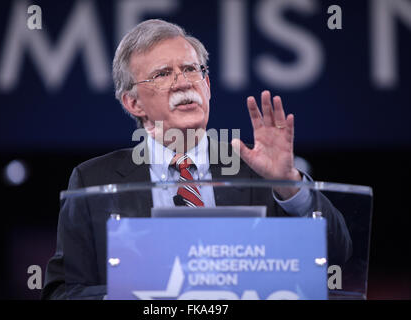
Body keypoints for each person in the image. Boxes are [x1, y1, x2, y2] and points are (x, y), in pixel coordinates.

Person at [42, 19, 352, 300]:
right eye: (163, 74)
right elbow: (61, 292)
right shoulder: (94, 181)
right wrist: (130, 293)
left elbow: (336, 255)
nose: (183, 82)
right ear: (134, 102)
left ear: (207, 85)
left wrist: (289, 186)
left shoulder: (257, 169)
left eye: (191, 69)